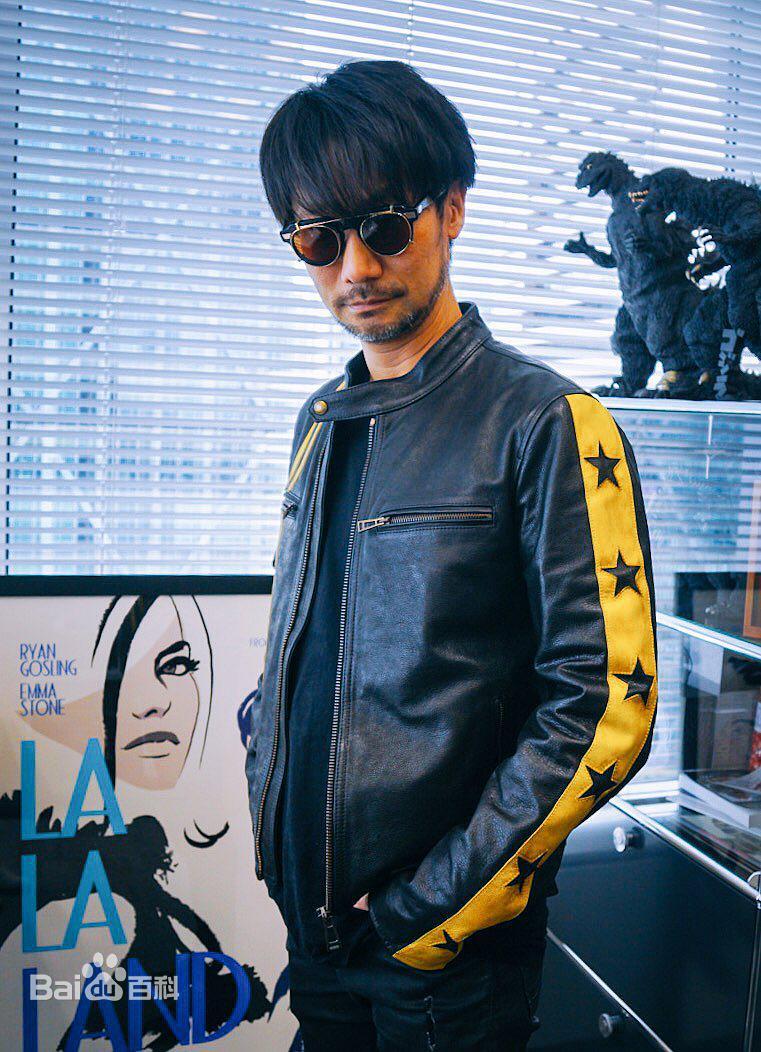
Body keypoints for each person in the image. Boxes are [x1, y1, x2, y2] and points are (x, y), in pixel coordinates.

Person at [246, 58, 659, 1051]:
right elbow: (311, 639)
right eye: (318, 239)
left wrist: (428, 911)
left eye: (384, 227)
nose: (354, 267)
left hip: (442, 958)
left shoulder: (548, 422)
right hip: (315, 927)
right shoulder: (320, 418)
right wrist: (263, 753)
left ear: (452, 210)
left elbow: (606, 703)